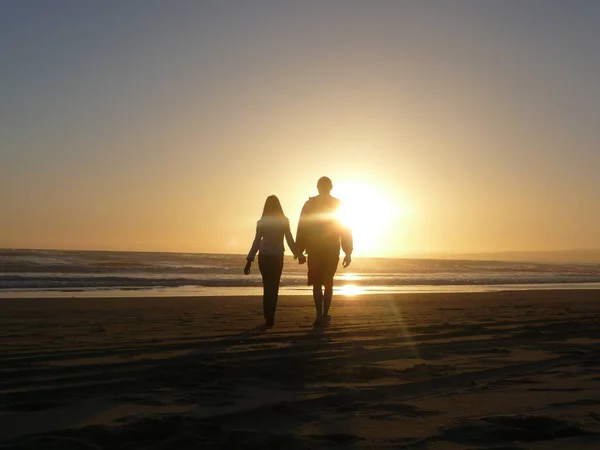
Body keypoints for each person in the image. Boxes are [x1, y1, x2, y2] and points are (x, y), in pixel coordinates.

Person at [296, 177, 353, 327]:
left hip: (315, 250)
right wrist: (348, 251)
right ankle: (324, 314)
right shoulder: (337, 204)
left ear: (317, 187)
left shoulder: (309, 204)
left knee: (316, 284)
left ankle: (320, 315)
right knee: (328, 283)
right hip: (331, 250)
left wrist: (299, 250)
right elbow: (345, 229)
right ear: (331, 187)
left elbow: (302, 227)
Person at [244, 195, 306, 327]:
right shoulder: (284, 221)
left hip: (264, 257)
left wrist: (250, 259)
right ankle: (271, 315)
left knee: (267, 287)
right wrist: (298, 254)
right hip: (277, 257)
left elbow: (256, 242)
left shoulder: (262, 222)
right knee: (274, 287)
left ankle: (268, 315)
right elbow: (289, 240)